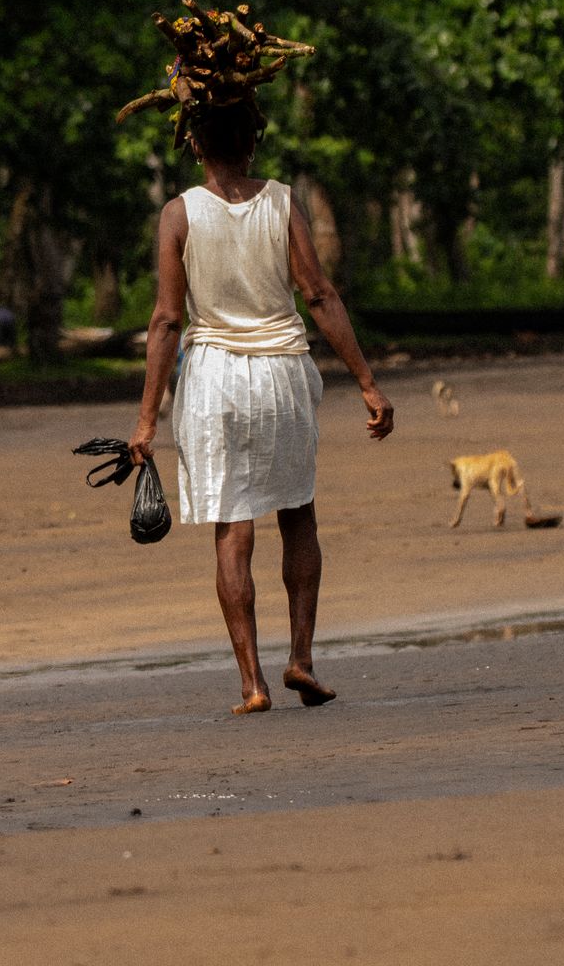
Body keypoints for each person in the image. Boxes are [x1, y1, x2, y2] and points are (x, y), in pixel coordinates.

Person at [128, 107, 393, 715]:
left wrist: (146, 420)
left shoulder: (179, 214)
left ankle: (252, 683)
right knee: (298, 515)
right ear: (252, 142)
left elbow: (168, 318)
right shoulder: (283, 202)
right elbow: (319, 294)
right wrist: (368, 383)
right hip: (281, 373)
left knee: (233, 525)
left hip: (213, 380)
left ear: (194, 144)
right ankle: (301, 658)